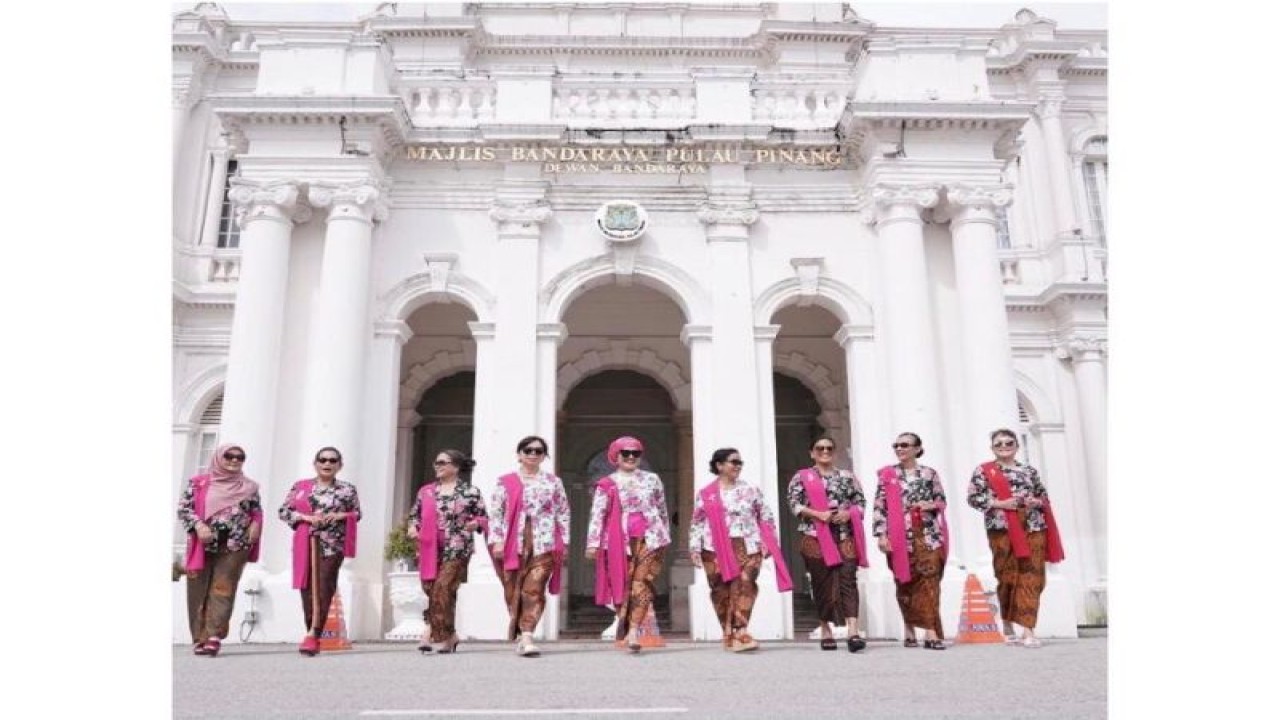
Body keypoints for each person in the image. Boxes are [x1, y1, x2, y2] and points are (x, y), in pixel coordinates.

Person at [967, 429, 1066, 649]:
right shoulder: (985, 471)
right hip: (1002, 529)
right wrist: (1000, 503)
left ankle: (1028, 629)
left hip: (1033, 526)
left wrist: (1034, 502)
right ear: (992, 448)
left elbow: (1044, 497)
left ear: (1016, 446)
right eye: (998, 443)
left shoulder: (1028, 471)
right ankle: (1007, 620)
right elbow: (973, 498)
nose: (1004, 446)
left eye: (1009, 442)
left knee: (1033, 577)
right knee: (1008, 576)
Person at [689, 448, 792, 653]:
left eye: (740, 463)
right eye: (733, 462)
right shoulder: (706, 493)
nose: (738, 466)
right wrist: (694, 548)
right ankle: (727, 630)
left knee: (746, 584)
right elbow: (697, 522)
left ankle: (740, 630)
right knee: (720, 590)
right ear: (719, 466)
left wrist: (768, 541)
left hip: (748, 544)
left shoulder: (751, 490)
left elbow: (766, 516)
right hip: (714, 546)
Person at [585, 436, 672, 653]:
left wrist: (665, 535)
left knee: (641, 584)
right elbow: (598, 515)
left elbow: (662, 509)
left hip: (650, 538)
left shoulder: (652, 479)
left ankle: (634, 632)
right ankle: (624, 625)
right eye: (626, 453)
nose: (631, 457)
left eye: (636, 453)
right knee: (622, 586)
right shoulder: (606, 484)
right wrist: (593, 543)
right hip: (617, 541)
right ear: (616, 456)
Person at [177, 443, 263, 658]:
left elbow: (256, 511)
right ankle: (199, 637)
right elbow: (184, 508)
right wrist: (199, 525)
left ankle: (214, 636)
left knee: (224, 587)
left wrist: (255, 524)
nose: (234, 460)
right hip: (203, 542)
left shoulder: (250, 486)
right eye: (229, 456)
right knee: (198, 588)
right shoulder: (199, 483)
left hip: (236, 543)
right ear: (218, 457)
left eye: (240, 457)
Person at [488, 435, 571, 657]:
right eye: (528, 450)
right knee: (512, 589)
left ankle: (527, 635)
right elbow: (496, 513)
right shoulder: (505, 481)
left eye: (538, 451)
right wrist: (497, 539)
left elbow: (563, 512)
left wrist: (565, 541)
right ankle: (519, 629)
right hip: (512, 541)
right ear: (519, 454)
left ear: (544, 456)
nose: (533, 454)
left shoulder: (553, 482)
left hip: (544, 541)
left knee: (534, 588)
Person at [786, 436, 870, 653]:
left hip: (843, 535)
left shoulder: (847, 477)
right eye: (820, 448)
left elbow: (860, 503)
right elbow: (794, 504)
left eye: (829, 448)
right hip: (815, 535)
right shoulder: (802, 477)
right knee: (821, 582)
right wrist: (817, 514)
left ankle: (853, 631)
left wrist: (847, 513)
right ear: (812, 453)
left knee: (848, 579)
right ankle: (826, 628)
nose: (825, 452)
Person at [278, 446, 362, 657]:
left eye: (333, 461)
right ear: (315, 464)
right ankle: (311, 629)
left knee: (324, 585)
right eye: (323, 460)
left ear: (339, 465)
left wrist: (341, 516)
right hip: (305, 541)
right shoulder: (301, 486)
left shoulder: (347, 489)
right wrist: (306, 518)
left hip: (332, 544)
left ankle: (314, 633)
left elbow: (357, 513)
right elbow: (284, 511)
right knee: (307, 587)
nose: (327, 464)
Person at [873, 432, 950, 650]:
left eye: (905, 445)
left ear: (917, 448)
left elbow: (941, 500)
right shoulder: (888, 475)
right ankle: (909, 627)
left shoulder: (929, 474)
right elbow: (880, 506)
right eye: (896, 445)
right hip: (898, 536)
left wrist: (930, 505)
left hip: (928, 534)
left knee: (930, 581)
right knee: (905, 582)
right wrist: (881, 535)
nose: (899, 449)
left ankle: (931, 631)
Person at [408, 449, 488, 654]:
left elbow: (483, 517)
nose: (438, 466)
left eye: (443, 462)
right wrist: (412, 527)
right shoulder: (426, 491)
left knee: (442, 588)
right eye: (436, 462)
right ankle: (450, 635)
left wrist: (475, 523)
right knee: (431, 588)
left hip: (458, 545)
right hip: (429, 546)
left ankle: (430, 633)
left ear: (456, 466)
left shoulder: (470, 492)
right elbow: (414, 515)